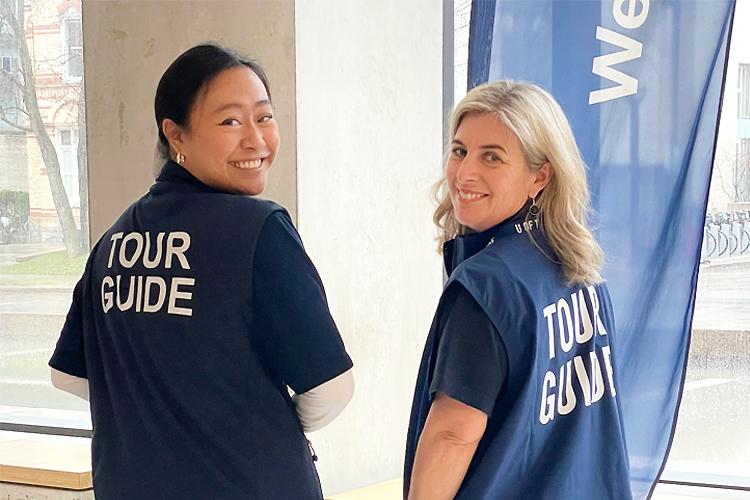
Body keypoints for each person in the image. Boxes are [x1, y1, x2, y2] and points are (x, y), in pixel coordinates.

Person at [49, 44, 354, 500]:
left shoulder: (113, 242)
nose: (256, 139)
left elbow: (69, 375)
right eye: (230, 121)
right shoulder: (259, 231)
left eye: (264, 117)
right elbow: (330, 388)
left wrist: (164, 425)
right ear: (176, 134)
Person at [403, 81, 632, 500]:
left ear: (540, 175)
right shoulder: (579, 267)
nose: (465, 172)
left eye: (492, 156)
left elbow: (454, 434)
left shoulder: (489, 285)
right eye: (459, 151)